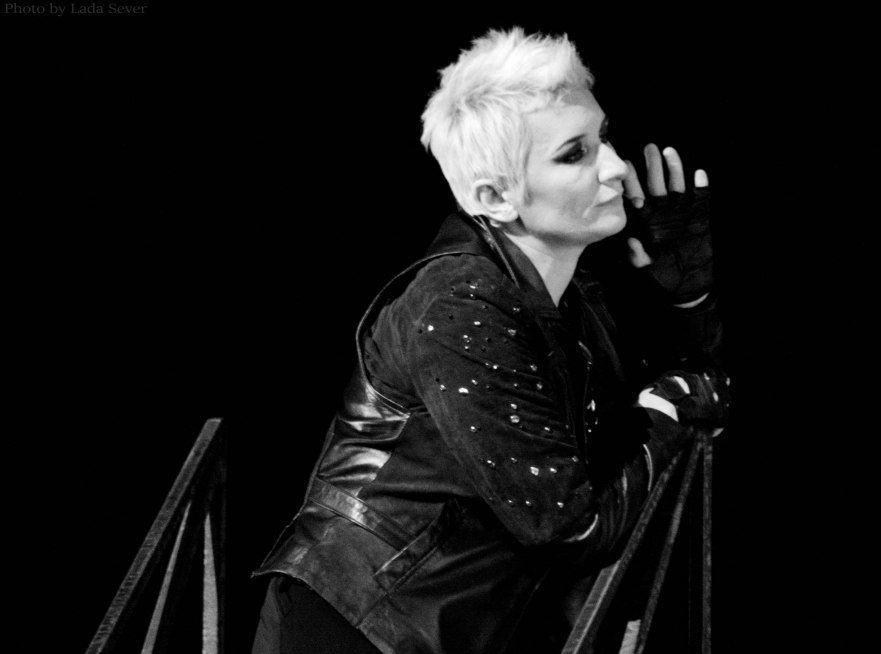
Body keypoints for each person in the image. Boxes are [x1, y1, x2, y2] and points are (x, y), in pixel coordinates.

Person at [251, 27, 728, 654]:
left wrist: (685, 301)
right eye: (575, 154)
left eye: (604, 138)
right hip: (365, 630)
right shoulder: (459, 304)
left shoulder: (572, 296)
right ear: (494, 197)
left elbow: (685, 413)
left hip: (458, 631)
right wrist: (669, 407)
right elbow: (572, 527)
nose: (616, 167)